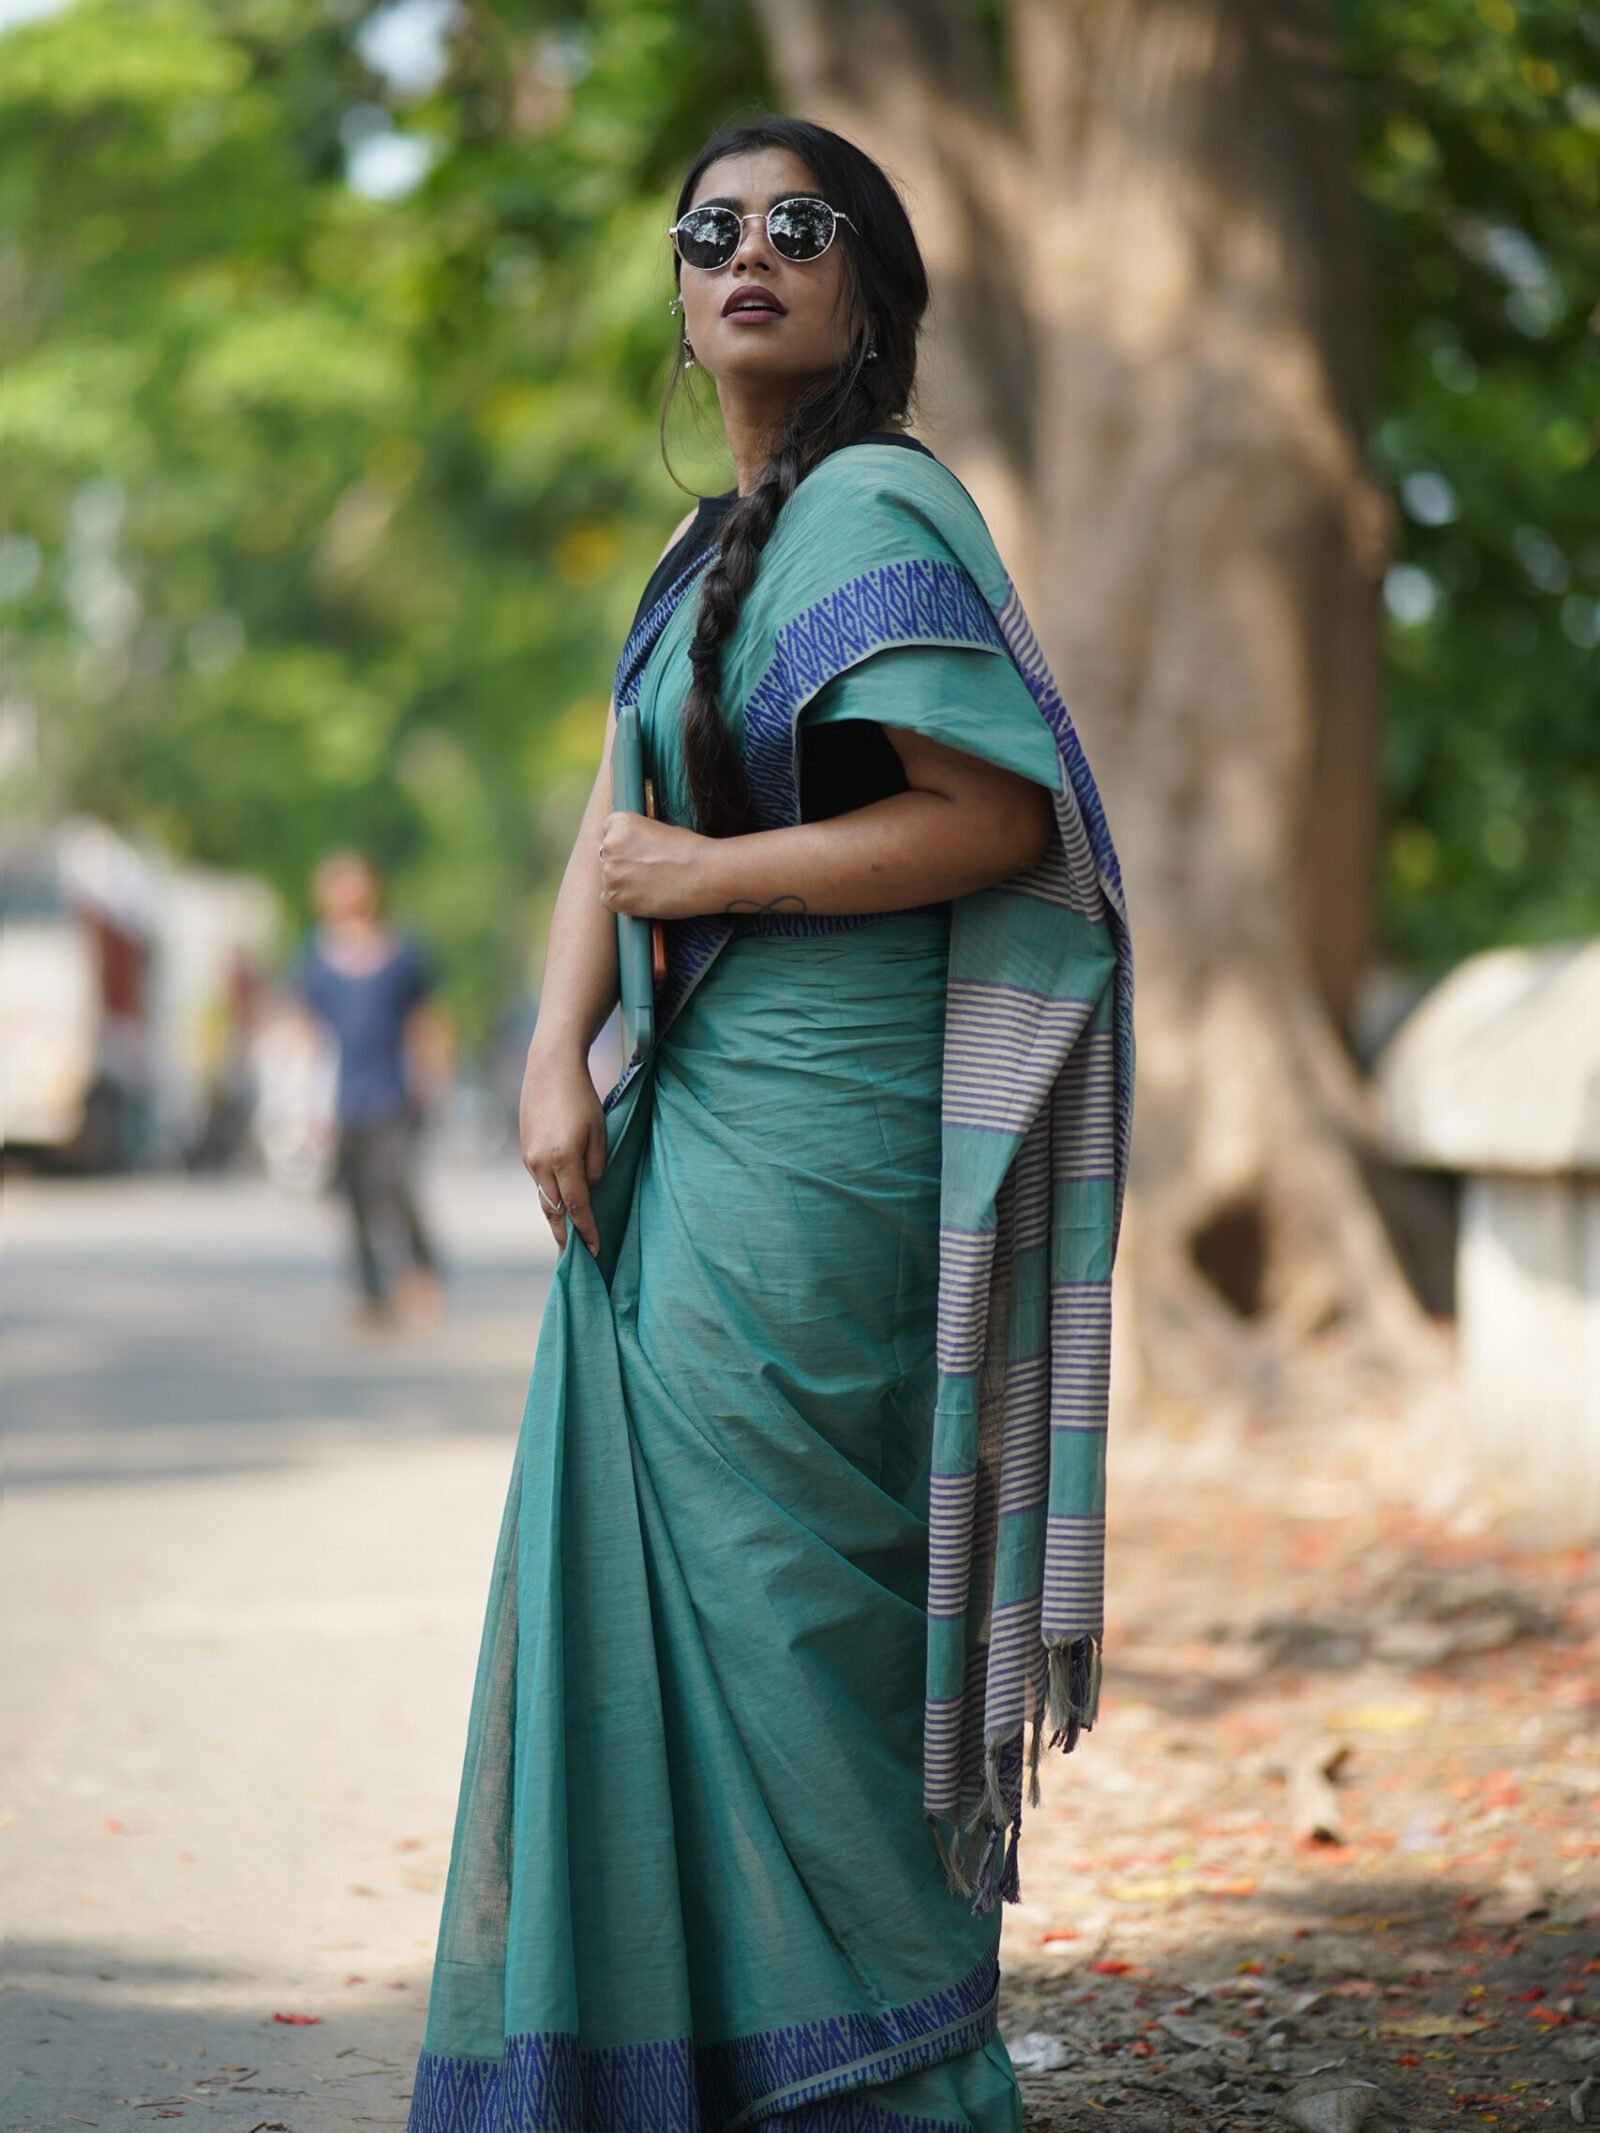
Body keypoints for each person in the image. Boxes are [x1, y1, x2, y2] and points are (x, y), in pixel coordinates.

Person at [406, 118, 1134, 2133]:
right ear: (676, 285)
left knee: (792, 1602)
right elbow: (608, 817)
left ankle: (883, 2073)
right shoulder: (704, 551)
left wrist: (703, 891)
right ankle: (701, 2063)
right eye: (709, 230)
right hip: (698, 1129)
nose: (747, 255)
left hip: (828, 1137)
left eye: (796, 231)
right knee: (690, 1597)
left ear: (862, 288)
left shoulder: (876, 502)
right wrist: (556, 1043)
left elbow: (991, 820)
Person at [292, 849, 449, 1327]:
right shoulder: (316, 960)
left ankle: (419, 1273)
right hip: (340, 1098)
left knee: (396, 1188)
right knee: (353, 1199)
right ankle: (368, 1293)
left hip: (391, 1091)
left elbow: (426, 1022)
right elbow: (305, 1031)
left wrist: (432, 1076)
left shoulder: (400, 953)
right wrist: (302, 1098)